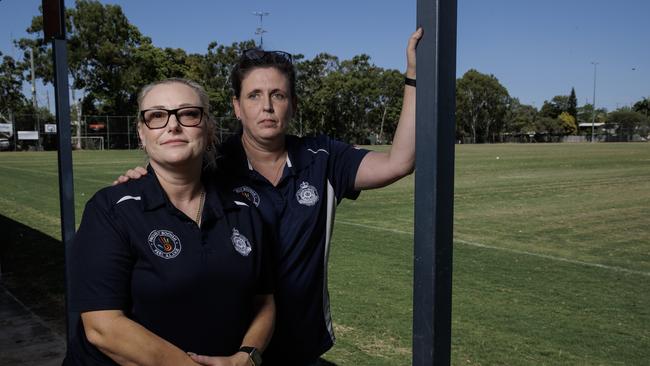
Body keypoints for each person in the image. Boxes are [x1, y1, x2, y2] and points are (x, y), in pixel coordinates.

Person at [117, 29, 422, 365]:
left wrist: (413, 77)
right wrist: (138, 177)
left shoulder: (323, 158)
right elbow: (163, 179)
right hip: (232, 348)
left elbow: (400, 162)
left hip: (301, 342)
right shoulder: (212, 163)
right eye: (254, 95)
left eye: (278, 95)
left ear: (293, 104)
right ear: (236, 106)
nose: (266, 106)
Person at [65, 78, 275, 366]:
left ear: (209, 128)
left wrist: (247, 357)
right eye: (157, 116)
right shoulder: (111, 209)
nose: (172, 125)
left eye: (188, 113)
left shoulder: (245, 211)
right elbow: (103, 328)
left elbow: (264, 302)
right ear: (141, 133)